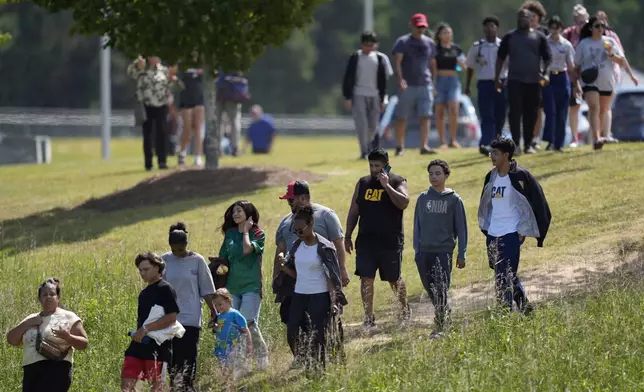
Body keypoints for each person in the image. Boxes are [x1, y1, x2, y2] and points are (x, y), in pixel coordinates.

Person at [273, 181, 348, 367]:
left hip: (321, 279)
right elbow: (280, 249)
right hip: (295, 280)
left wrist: (342, 272)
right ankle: (304, 357)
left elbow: (338, 246)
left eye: (292, 200)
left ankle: (332, 355)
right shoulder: (286, 221)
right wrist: (278, 277)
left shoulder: (326, 215)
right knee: (291, 320)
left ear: (304, 198)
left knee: (325, 321)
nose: (289, 204)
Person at [478, 138, 551, 314]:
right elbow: (485, 203)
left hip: (511, 234)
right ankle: (527, 311)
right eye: (491, 152)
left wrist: (525, 229)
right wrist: (486, 227)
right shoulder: (491, 176)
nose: (491, 156)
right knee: (505, 273)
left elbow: (537, 202)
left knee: (504, 276)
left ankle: (504, 314)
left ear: (506, 155)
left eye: (495, 153)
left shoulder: (521, 176)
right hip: (493, 234)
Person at [345, 148, 411, 331]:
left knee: (394, 279)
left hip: (390, 240)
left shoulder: (398, 181)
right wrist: (348, 235)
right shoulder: (363, 183)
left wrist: (387, 186)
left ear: (386, 166)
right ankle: (368, 318)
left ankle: (405, 310)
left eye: (378, 166)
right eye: (371, 165)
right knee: (366, 278)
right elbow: (354, 210)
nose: (374, 170)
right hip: (366, 240)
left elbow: (404, 202)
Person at [413, 160, 467, 339]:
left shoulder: (454, 200)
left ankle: (443, 325)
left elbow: (461, 228)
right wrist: (417, 250)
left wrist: (461, 253)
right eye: (431, 174)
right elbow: (417, 226)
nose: (434, 177)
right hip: (424, 252)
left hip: (444, 251)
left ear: (446, 175)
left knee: (441, 287)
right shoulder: (422, 198)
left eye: (437, 173)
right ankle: (443, 317)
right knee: (430, 288)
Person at [161, 223, 217, 391]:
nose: (178, 253)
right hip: (170, 317)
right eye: (174, 250)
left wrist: (213, 312)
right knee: (173, 354)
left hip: (191, 316)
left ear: (186, 244)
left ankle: (188, 386)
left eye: (180, 249)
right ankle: (175, 385)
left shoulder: (197, 261)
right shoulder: (164, 260)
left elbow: (206, 290)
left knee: (189, 354)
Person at [7, 278, 89, 392]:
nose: (49, 297)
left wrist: (68, 338)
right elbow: (11, 339)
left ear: (58, 298)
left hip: (57, 370)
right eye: (45, 294)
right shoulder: (31, 318)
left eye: (52, 294)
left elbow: (84, 343)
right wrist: (27, 323)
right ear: (39, 298)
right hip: (31, 372)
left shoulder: (69, 317)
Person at [218, 200, 270, 370]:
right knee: (234, 325)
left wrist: (246, 231)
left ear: (248, 214)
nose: (235, 214)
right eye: (233, 211)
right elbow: (223, 257)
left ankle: (261, 354)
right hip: (233, 286)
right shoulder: (230, 234)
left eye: (239, 211)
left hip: (251, 286)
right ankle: (241, 364)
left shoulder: (258, 234)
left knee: (247, 322)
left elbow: (247, 250)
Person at [495, 9, 552, 155]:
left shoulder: (539, 37)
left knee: (531, 113)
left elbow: (548, 58)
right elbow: (500, 58)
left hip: (533, 81)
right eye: (520, 17)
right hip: (515, 80)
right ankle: (515, 143)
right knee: (515, 113)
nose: (522, 20)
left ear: (531, 19)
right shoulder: (510, 37)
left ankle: (528, 144)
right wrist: (497, 78)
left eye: (525, 17)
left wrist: (545, 74)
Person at [121, 253, 180, 392]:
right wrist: (141, 332)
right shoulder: (143, 293)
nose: (142, 273)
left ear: (157, 268)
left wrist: (146, 329)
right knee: (126, 386)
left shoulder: (166, 289)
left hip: (158, 348)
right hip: (138, 345)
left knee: (157, 388)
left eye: (146, 269)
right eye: (140, 270)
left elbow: (172, 317)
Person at [574, 17, 630, 150]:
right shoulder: (584, 44)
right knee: (594, 108)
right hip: (590, 81)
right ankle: (596, 139)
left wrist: (611, 55)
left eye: (603, 26)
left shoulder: (610, 41)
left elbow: (621, 61)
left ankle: (602, 135)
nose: (600, 29)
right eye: (597, 26)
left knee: (603, 110)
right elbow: (576, 65)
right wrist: (575, 84)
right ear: (591, 28)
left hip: (607, 80)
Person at [391, 13, 438, 156]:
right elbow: (397, 63)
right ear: (411, 25)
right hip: (408, 85)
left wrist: (433, 83)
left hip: (425, 84)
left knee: (425, 116)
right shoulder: (402, 42)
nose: (420, 29)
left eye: (423, 26)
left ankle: (424, 146)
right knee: (402, 117)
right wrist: (400, 79)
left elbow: (433, 64)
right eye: (418, 26)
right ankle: (400, 146)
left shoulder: (429, 43)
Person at [343, 31, 393, 159]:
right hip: (358, 94)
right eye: (366, 44)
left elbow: (383, 81)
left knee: (373, 125)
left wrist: (382, 100)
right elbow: (348, 78)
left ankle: (367, 144)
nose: (368, 47)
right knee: (362, 123)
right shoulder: (355, 57)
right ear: (361, 45)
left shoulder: (380, 58)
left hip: (375, 95)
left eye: (371, 45)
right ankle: (364, 151)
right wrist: (348, 97)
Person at [127, 56, 181, 171]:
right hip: (147, 104)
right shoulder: (142, 68)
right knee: (148, 134)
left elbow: (169, 84)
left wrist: (173, 80)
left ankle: (162, 161)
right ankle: (148, 163)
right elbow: (131, 73)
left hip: (162, 104)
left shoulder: (163, 70)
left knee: (162, 132)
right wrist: (137, 64)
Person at [595, 10, 639, 143]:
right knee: (596, 107)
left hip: (611, 74)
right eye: (597, 21)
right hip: (594, 78)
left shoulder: (611, 37)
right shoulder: (588, 37)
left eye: (603, 22)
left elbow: (622, 58)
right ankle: (598, 135)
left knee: (606, 106)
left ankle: (605, 135)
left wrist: (631, 75)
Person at [466, 16, 507, 156]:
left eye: (492, 26)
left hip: (501, 82)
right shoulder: (478, 47)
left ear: (497, 28)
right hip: (484, 84)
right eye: (487, 26)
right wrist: (467, 86)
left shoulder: (503, 45)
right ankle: (485, 142)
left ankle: (497, 141)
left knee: (500, 114)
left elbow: (509, 66)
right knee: (487, 114)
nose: (489, 29)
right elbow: (470, 66)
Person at [542, 16, 575, 152]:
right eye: (552, 27)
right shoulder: (544, 43)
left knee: (562, 111)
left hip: (562, 77)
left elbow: (571, 66)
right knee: (551, 111)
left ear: (561, 28)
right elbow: (541, 61)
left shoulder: (566, 45)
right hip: (548, 77)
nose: (554, 30)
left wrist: (576, 84)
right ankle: (550, 140)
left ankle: (559, 144)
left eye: (557, 27)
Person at [433, 23, 466, 149]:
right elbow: (433, 67)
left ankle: (453, 140)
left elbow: (464, 67)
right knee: (440, 111)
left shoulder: (456, 49)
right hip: (440, 80)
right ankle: (442, 141)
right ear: (440, 35)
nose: (448, 35)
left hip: (453, 80)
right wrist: (433, 84)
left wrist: (460, 62)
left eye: (449, 32)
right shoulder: (435, 50)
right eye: (445, 33)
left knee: (453, 109)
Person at [521, 1, 549, 150]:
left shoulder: (544, 33)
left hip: (540, 74)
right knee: (524, 108)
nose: (531, 18)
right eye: (528, 15)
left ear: (539, 17)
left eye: (534, 15)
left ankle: (535, 138)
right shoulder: (518, 33)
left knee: (538, 107)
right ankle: (526, 137)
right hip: (522, 75)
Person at [212, 288, 253, 388]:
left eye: (220, 304)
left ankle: (231, 384)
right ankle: (227, 383)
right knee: (222, 366)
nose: (218, 307)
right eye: (216, 305)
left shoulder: (234, 314)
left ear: (228, 301)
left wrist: (249, 344)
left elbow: (245, 329)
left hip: (233, 346)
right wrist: (215, 327)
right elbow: (220, 329)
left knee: (229, 366)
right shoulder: (220, 316)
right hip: (221, 346)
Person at [562, 4, 589, 147]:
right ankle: (574, 138)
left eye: (584, 22)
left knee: (594, 106)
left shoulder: (592, 34)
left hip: (589, 75)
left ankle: (597, 136)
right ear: (574, 21)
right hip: (572, 75)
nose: (582, 25)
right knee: (574, 107)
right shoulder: (568, 34)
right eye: (579, 22)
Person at [177, 55, 206, 167]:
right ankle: (182, 152)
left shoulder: (201, 64)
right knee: (187, 128)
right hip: (186, 99)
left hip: (199, 99)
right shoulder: (182, 64)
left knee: (198, 128)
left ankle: (198, 157)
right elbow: (172, 74)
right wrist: (177, 82)